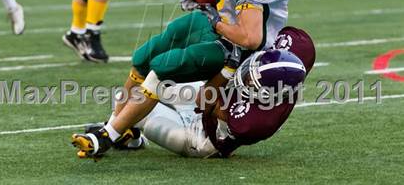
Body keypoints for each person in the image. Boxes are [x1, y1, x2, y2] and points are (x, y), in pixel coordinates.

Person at [71, 0, 290, 159]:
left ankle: (107, 136)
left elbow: (250, 37)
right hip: (220, 23)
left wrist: (215, 20)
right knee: (146, 55)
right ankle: (123, 126)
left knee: (165, 66)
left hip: (236, 49)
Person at [78, 26, 315, 159]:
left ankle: (126, 132)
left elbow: (207, 100)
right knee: (144, 87)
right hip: (215, 93)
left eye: (251, 82)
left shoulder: (255, 122)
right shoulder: (297, 49)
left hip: (203, 135)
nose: (245, 77)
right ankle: (126, 132)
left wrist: (229, 69)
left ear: (266, 96)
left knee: (139, 110)